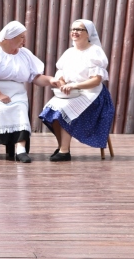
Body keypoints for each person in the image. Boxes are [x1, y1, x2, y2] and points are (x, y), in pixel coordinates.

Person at [0, 21, 57, 163]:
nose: (24, 41)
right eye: (21, 37)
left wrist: (50, 80)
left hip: (16, 91)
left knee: (20, 109)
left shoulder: (24, 54)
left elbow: (35, 77)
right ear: (9, 38)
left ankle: (20, 150)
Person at [39, 20, 115, 161]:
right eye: (73, 29)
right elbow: (60, 75)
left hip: (93, 95)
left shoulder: (95, 51)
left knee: (64, 110)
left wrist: (74, 86)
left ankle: (64, 151)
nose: (75, 32)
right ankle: (62, 145)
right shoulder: (69, 52)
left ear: (88, 34)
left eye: (79, 29)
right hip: (71, 93)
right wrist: (62, 85)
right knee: (49, 110)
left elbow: (96, 80)